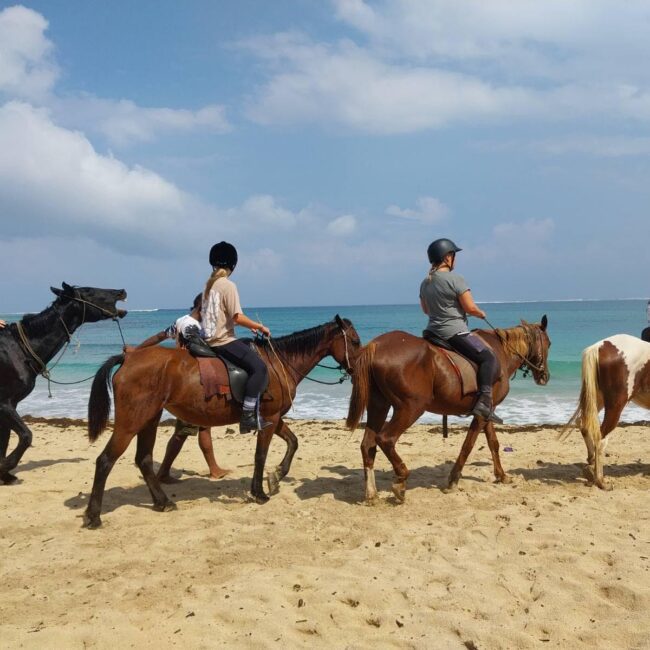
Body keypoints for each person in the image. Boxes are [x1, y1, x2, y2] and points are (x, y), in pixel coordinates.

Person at [127, 293, 231, 482]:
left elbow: (159, 336)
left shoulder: (181, 321)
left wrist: (137, 350)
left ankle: (213, 468)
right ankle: (164, 472)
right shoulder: (193, 327)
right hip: (190, 381)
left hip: (185, 379)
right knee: (183, 432)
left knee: (203, 427)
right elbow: (201, 349)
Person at [420, 238, 502, 423]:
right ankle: (484, 401)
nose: (455, 259)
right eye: (453, 255)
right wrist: (479, 313)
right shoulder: (456, 279)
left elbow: (426, 310)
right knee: (488, 357)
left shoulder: (425, 282)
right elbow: (469, 308)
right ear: (447, 257)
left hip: (432, 332)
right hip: (454, 332)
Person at [202, 241, 271, 433]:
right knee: (260, 368)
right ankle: (248, 415)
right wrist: (260, 327)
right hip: (222, 341)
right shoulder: (228, 285)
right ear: (232, 264)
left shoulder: (209, 285)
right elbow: (237, 317)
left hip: (207, 340)